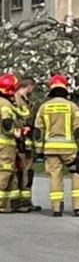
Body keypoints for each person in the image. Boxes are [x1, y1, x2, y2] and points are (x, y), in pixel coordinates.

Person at [33, 75, 79, 217]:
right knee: (77, 173)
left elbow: (38, 131)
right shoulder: (72, 106)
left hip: (50, 148)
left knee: (54, 176)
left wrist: (38, 150)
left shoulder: (44, 107)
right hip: (69, 149)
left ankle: (56, 208)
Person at [11, 77, 39, 212]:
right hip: (19, 141)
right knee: (19, 171)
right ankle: (17, 202)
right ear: (29, 86)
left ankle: (26, 201)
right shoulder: (15, 100)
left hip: (27, 142)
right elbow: (15, 119)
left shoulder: (26, 101)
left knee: (28, 172)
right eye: (32, 88)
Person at [0, 73, 19, 213]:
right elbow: (6, 123)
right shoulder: (5, 104)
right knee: (5, 171)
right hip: (5, 144)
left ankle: (6, 204)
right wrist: (14, 132)